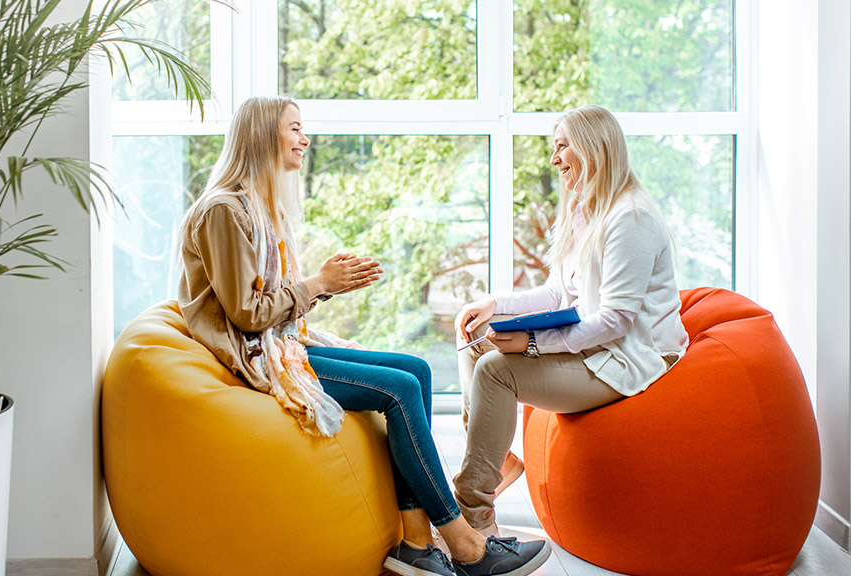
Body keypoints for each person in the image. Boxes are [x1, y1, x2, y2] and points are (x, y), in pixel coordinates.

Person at [176, 95, 550, 576]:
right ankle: (464, 544)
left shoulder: (255, 208)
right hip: (256, 356)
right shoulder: (225, 210)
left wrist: (325, 287)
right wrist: (318, 284)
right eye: (294, 128)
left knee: (415, 368)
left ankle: (416, 543)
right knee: (400, 389)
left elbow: (266, 304)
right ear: (262, 135)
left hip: (276, 343)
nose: (304, 139)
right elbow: (248, 315)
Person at [453, 104, 689, 536]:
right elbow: (559, 294)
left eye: (562, 146)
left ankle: (473, 518)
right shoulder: (585, 212)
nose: (554, 158)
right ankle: (496, 458)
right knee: (472, 336)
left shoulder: (629, 218)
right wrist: (495, 305)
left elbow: (616, 320)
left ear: (593, 149)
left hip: (626, 360)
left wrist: (532, 344)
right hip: (597, 348)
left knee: (494, 370)